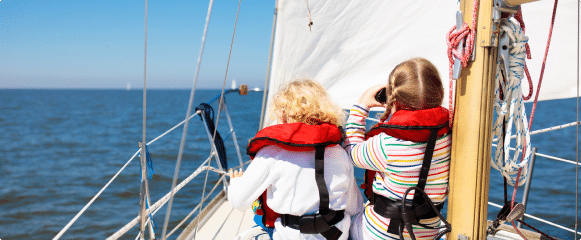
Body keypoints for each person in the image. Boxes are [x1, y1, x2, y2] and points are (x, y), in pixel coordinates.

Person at [228, 79, 363, 240]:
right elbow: (355, 207)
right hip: (336, 235)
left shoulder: (271, 153)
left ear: (283, 115)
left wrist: (235, 182)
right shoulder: (339, 152)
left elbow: (238, 201)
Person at [344, 58, 451, 240]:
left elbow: (352, 152)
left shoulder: (385, 144)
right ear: (440, 92)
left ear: (392, 98)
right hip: (427, 235)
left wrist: (361, 106)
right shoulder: (449, 136)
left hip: (380, 234)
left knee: (348, 219)